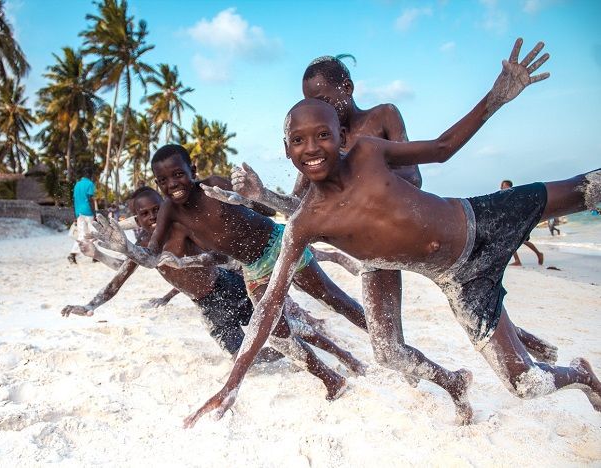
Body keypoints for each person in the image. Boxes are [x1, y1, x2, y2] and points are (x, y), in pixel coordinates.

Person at [180, 39, 601, 427]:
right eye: (298, 140)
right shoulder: (306, 219)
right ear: (286, 148)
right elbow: (269, 306)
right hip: (456, 279)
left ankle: (527, 340)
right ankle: (579, 373)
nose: (311, 148)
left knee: (586, 189)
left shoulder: (369, 147)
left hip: (480, 221)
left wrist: (497, 95)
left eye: (323, 134)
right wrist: (230, 384)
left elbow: (440, 149)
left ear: (341, 136)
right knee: (525, 383)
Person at [207, 52, 556, 375]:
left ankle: (526, 340)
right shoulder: (321, 149)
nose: (317, 108)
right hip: (374, 253)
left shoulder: (380, 119)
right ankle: (454, 381)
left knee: (466, 290)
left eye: (324, 99)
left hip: (414, 227)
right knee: (387, 351)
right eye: (310, 102)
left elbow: (417, 172)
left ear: (348, 87)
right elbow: (301, 210)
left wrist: (365, 182)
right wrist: (257, 197)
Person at [64, 187, 366, 374]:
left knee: (278, 325)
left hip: (228, 286)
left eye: (157, 209)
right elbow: (120, 275)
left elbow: (217, 256)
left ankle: (333, 347)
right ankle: (297, 351)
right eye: (144, 214)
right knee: (248, 356)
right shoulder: (143, 246)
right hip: (209, 306)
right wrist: (90, 304)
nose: (152, 216)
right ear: (137, 219)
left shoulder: (182, 229)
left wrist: (191, 262)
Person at [501, 179, 544, 265]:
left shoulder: (514, 195)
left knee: (524, 241)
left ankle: (538, 254)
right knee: (510, 242)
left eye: (503, 186)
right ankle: (518, 260)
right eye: (502, 187)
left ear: (509, 186)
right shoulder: (505, 197)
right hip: (512, 223)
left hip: (519, 223)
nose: (502, 188)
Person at [68, 167, 96, 264]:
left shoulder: (77, 185)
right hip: (88, 212)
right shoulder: (90, 184)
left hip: (79, 213)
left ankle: (72, 254)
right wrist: (94, 213)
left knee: (82, 234)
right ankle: (95, 255)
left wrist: (75, 214)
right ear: (90, 175)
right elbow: (90, 199)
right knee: (93, 233)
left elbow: (74, 200)